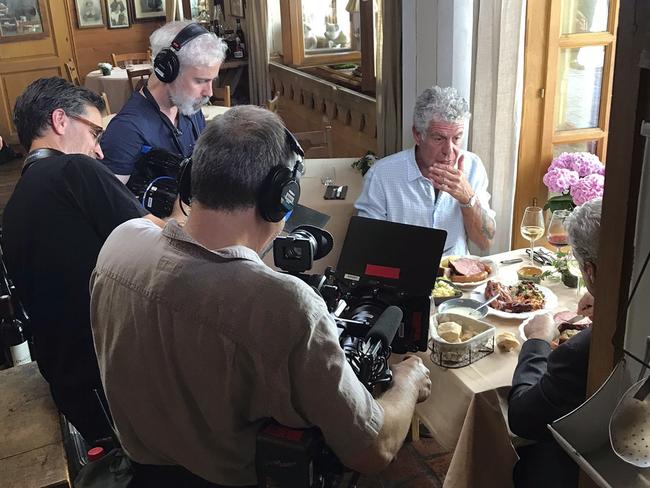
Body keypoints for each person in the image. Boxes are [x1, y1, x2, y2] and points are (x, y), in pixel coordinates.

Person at [90, 105, 432, 487]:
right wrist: (407, 381)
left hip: (141, 475)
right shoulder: (284, 304)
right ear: (282, 196)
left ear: (190, 179)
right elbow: (374, 450)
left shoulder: (119, 244)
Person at [1, 77, 163, 443]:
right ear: (60, 121)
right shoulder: (74, 170)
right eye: (95, 133)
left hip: (72, 390)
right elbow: (165, 244)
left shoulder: (14, 207)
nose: (99, 151)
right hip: (120, 386)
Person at [508, 198, 601, 487]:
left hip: (581, 468)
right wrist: (604, 296)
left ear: (591, 271)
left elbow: (522, 418)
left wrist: (536, 341)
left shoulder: (577, 352)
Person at [354, 86, 496, 255]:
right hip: (403, 275)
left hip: (456, 276)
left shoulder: (473, 166)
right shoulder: (382, 175)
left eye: (457, 138)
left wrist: (468, 199)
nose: (449, 151)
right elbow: (366, 246)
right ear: (417, 135)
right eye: (439, 138)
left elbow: (485, 242)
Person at [99, 21, 226, 184]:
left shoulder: (188, 108)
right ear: (167, 70)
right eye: (200, 81)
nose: (209, 92)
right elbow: (108, 205)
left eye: (211, 81)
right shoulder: (125, 130)